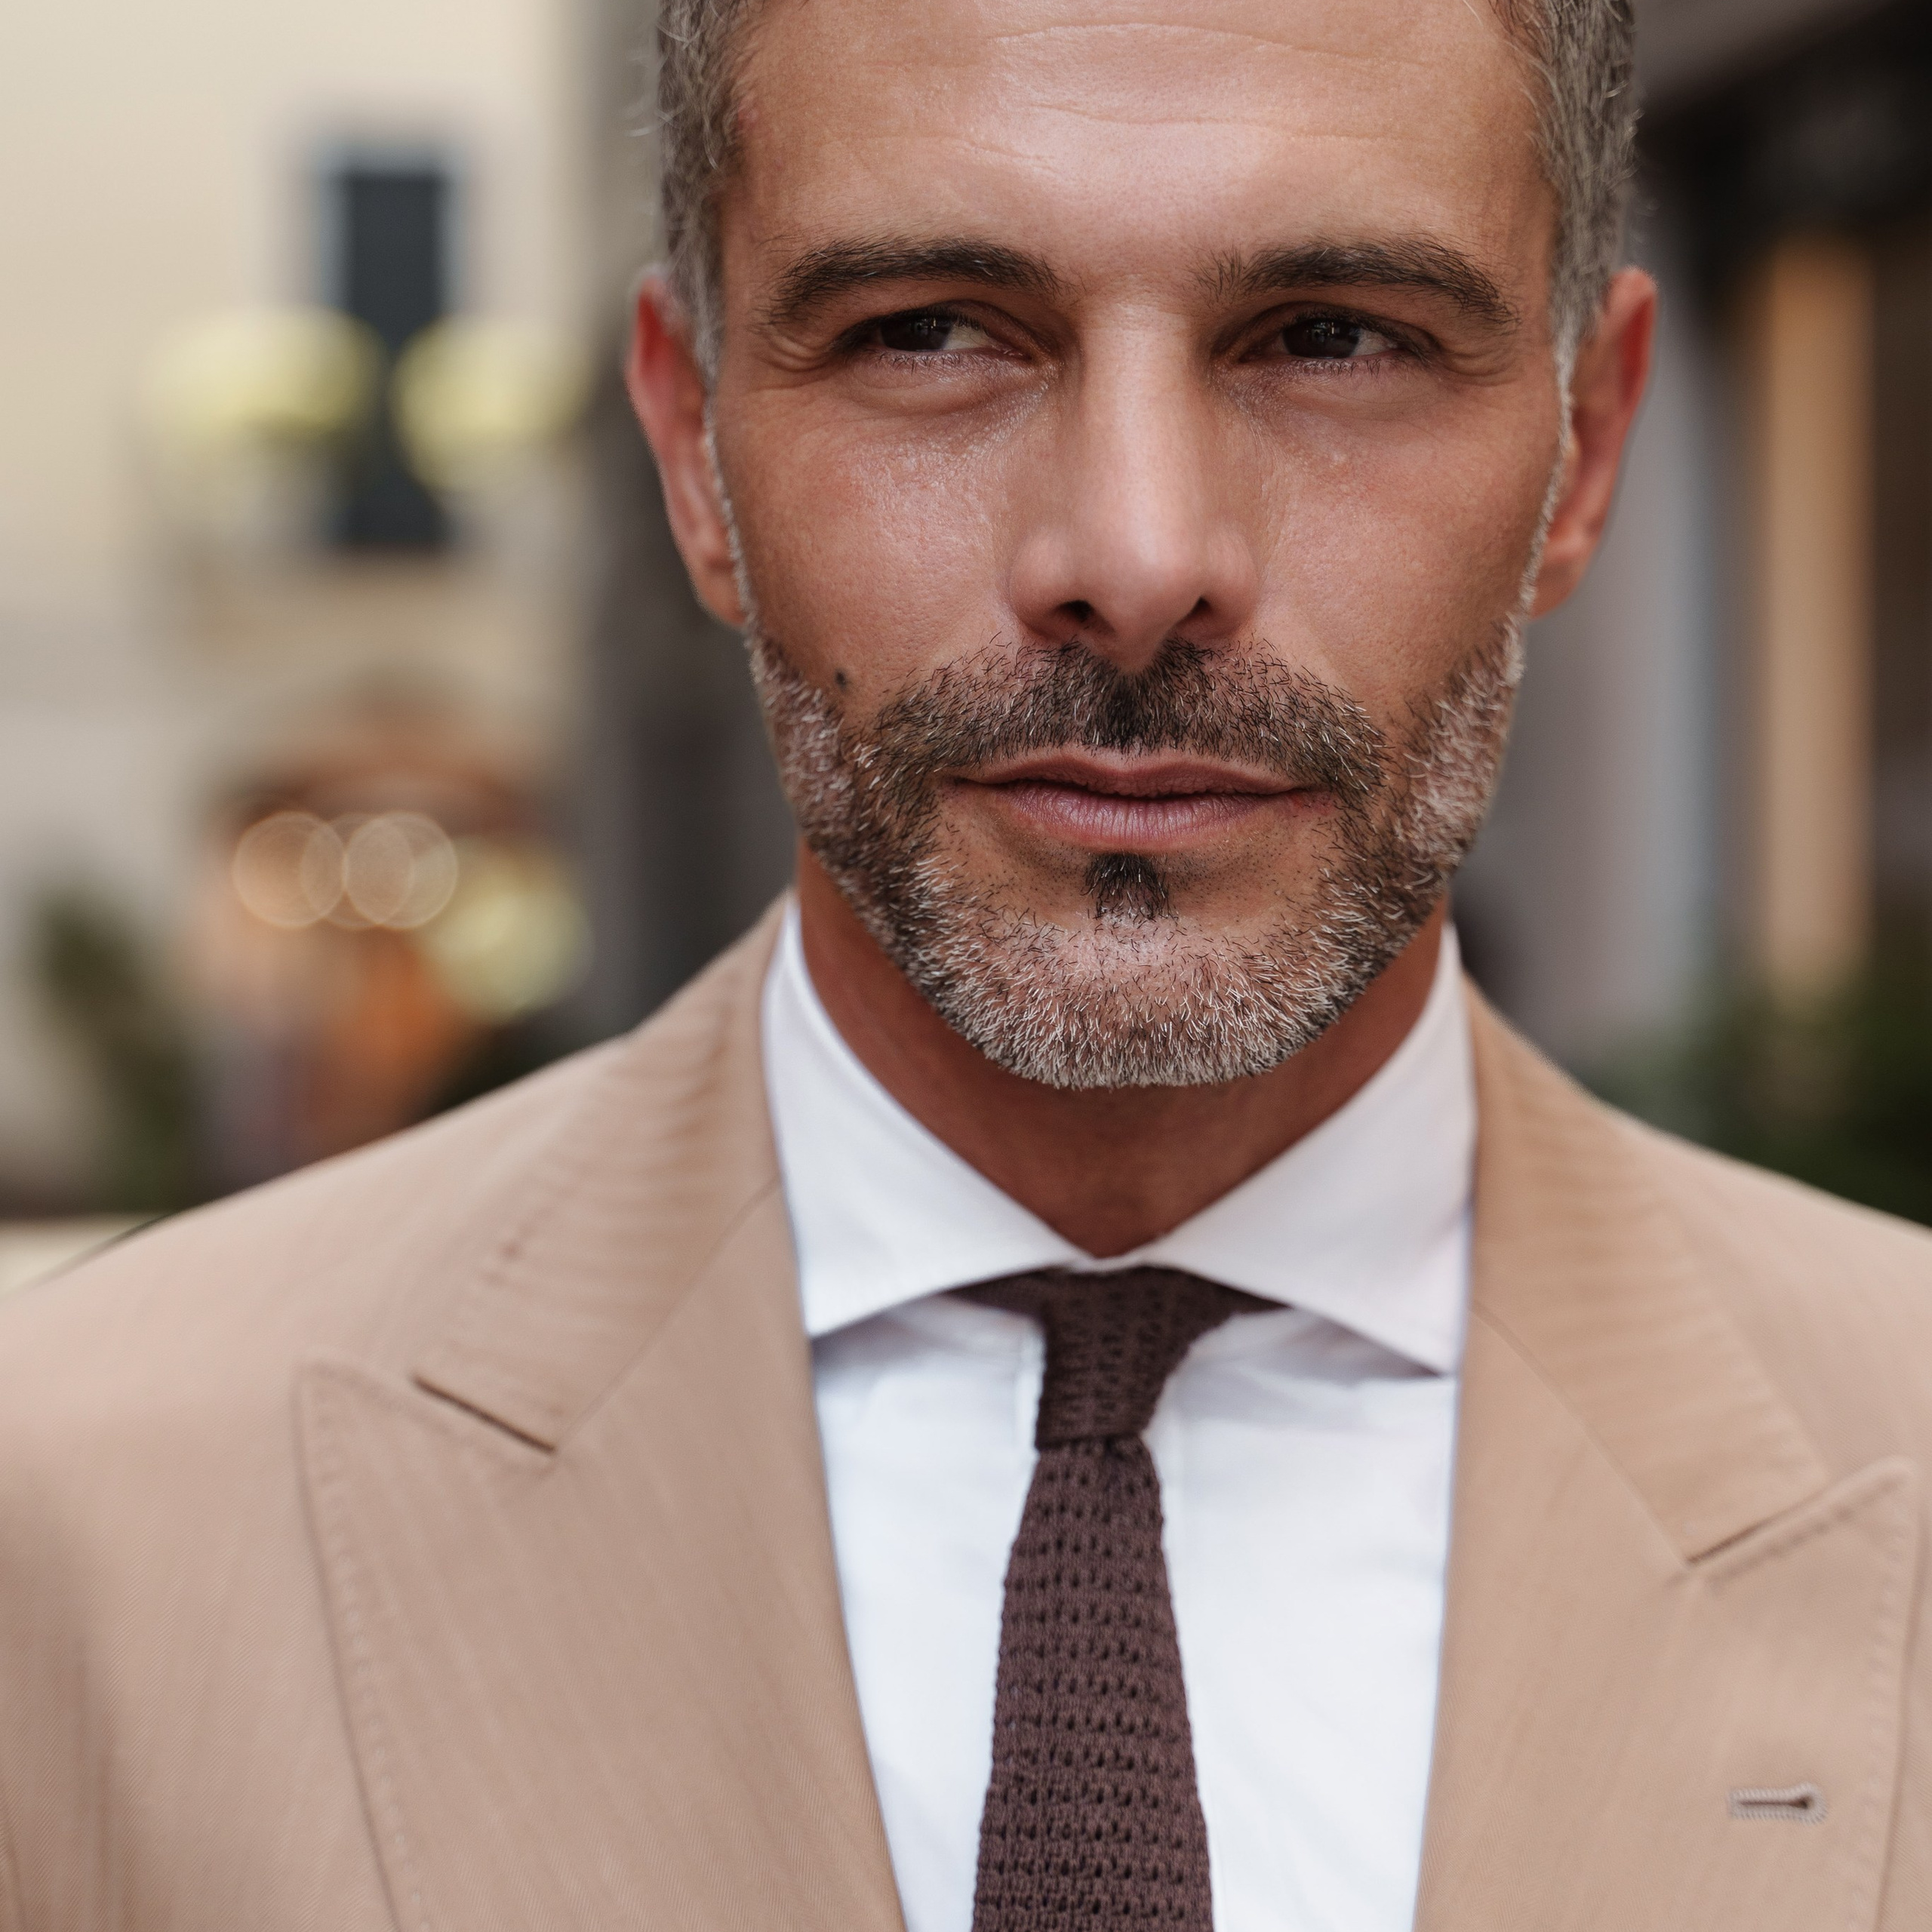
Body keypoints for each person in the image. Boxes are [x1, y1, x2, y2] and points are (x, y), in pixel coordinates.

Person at [5, 0, 1932, 1926]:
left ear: (1581, 449)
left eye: (1333, 336)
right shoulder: (82, 1515)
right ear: (689, 450)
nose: (1136, 548)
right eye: (927, 329)